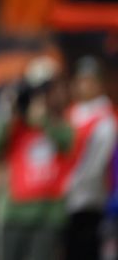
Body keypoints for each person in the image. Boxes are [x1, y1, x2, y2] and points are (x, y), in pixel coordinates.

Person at [0, 56, 73, 260]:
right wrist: (9, 115)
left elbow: (68, 143)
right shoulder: (14, 123)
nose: (41, 96)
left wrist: (44, 120)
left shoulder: (62, 122)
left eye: (46, 90)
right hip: (11, 214)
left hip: (46, 216)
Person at [62, 56, 117, 260]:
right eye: (81, 80)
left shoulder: (105, 118)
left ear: (99, 84)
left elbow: (96, 165)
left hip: (88, 200)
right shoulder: (70, 114)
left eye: (90, 80)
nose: (84, 85)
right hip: (62, 200)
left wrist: (71, 184)